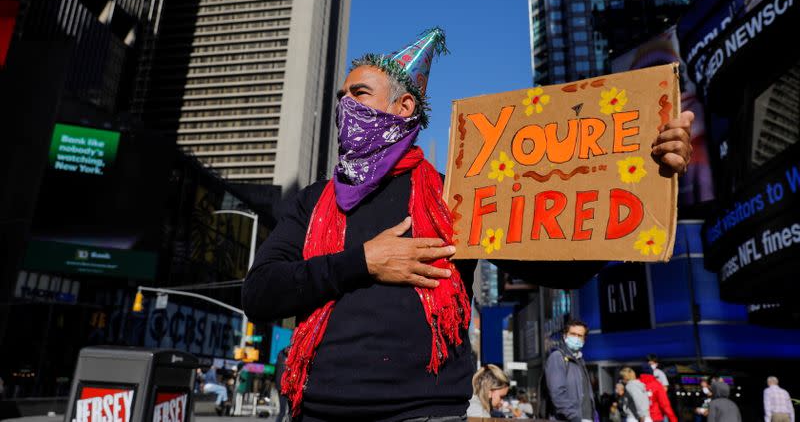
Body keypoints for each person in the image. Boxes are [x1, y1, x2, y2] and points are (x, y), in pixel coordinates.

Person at [241, 28, 695, 421]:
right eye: (341, 99)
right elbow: (260, 293)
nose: (345, 106)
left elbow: (565, 269)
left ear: (403, 107)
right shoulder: (313, 202)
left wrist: (649, 174)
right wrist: (363, 261)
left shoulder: (457, 196)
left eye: (357, 94)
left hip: (424, 414)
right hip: (316, 412)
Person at [544, 319, 597, 422]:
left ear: (584, 339)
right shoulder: (558, 357)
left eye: (580, 336)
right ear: (564, 336)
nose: (576, 338)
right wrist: (575, 417)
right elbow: (557, 394)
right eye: (573, 334)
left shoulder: (580, 360)